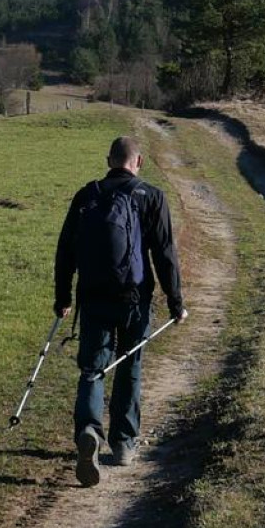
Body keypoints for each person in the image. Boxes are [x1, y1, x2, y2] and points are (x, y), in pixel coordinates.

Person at [54, 134, 186, 487]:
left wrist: (62, 297)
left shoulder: (87, 195)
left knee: (93, 369)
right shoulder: (152, 197)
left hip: (93, 296)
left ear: (108, 160)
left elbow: (65, 250)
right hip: (134, 300)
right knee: (129, 365)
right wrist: (176, 301)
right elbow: (165, 254)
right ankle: (124, 443)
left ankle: (88, 430)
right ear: (138, 162)